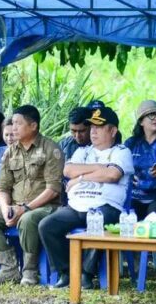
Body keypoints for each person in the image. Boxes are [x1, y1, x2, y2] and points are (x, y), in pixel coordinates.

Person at [38, 106, 134, 289]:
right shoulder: (83, 151)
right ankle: (67, 273)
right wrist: (100, 169)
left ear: (113, 131)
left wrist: (81, 177)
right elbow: (67, 170)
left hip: (107, 206)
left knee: (97, 221)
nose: (93, 132)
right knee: (47, 225)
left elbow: (112, 175)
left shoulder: (122, 152)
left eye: (99, 127)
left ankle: (85, 274)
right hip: (77, 206)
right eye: (92, 127)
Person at [0, 105, 63, 286]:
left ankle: (30, 271)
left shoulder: (50, 149)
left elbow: (53, 189)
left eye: (18, 123)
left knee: (27, 219)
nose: (13, 128)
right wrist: (6, 207)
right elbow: (2, 187)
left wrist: (25, 208)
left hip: (46, 208)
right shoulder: (10, 151)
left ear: (33, 126)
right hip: (16, 205)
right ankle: (9, 268)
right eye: (12, 123)